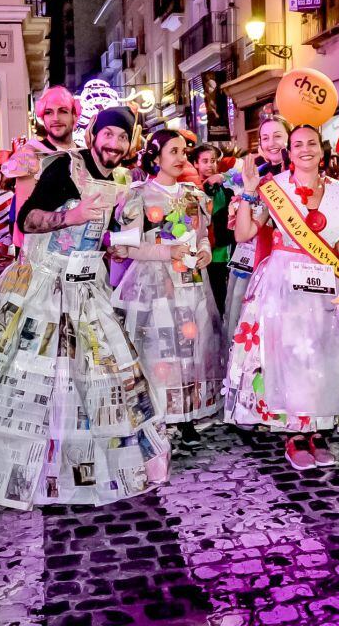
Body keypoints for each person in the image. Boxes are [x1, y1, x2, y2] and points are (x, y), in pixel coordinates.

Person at [0, 106, 170, 510]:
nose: (113, 144)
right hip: (44, 289)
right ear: (94, 134)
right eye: (108, 134)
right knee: (34, 377)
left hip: (88, 291)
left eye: (121, 137)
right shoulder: (64, 166)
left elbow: (110, 242)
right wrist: (72, 215)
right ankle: (13, 468)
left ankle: (79, 471)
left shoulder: (120, 180)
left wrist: (166, 252)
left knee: (95, 378)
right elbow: (26, 221)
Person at [224, 124, 339, 470]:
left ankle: (318, 430)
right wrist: (248, 192)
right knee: (287, 356)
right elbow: (244, 232)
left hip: (326, 283)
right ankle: (293, 433)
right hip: (282, 281)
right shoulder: (274, 189)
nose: (304, 149)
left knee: (324, 357)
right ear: (288, 151)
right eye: (297, 144)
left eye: (311, 144)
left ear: (322, 150)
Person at [111, 130, 224, 445]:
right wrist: (166, 252)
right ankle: (161, 414)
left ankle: (186, 414)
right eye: (172, 151)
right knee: (159, 350)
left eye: (183, 152)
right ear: (155, 157)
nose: (180, 158)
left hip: (191, 284)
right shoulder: (139, 196)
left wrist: (202, 251)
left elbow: (201, 234)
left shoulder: (193, 195)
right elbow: (125, 247)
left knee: (193, 346)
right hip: (154, 285)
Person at [223, 115, 290, 344]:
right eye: (265, 138)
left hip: (287, 264)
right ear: (260, 145)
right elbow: (240, 230)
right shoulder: (254, 177)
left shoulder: (298, 177)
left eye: (278, 136)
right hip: (253, 259)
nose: (271, 143)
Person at [2, 86, 81, 246]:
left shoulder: (83, 154)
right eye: (49, 112)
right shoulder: (31, 154)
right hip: (40, 251)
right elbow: (22, 215)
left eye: (63, 111)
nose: (55, 118)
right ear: (42, 118)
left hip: (77, 248)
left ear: (74, 115)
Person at [191, 144, 235, 314]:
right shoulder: (191, 188)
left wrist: (223, 177)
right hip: (202, 250)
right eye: (205, 161)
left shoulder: (224, 187)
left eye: (213, 161)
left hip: (223, 251)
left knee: (221, 297)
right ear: (196, 164)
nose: (210, 165)